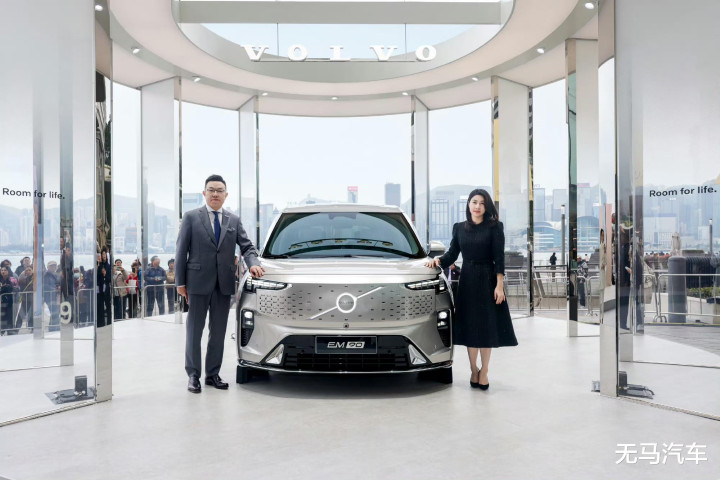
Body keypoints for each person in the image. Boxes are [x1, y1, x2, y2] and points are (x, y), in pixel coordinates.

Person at [176, 174, 264, 394]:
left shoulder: (233, 220)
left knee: (218, 333)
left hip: (223, 284)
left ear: (226, 194)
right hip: (197, 283)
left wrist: (253, 264)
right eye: (211, 190)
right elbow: (181, 251)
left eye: (219, 190)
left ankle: (212, 374)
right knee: (194, 331)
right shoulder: (191, 217)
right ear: (204, 193)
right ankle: (193, 375)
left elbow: (247, 247)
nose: (215, 194)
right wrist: (180, 283)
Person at [426, 188, 518, 390]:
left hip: (488, 281)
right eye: (474, 202)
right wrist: (437, 261)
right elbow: (452, 254)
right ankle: (473, 369)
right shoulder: (459, 228)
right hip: (467, 281)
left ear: (487, 207)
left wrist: (499, 286)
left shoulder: (495, 227)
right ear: (468, 204)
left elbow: (499, 258)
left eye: (482, 203)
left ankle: (484, 371)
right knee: (470, 328)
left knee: (486, 328)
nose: (478, 206)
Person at [44, 261, 61, 331]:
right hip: (49, 297)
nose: (53, 267)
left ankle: (54, 326)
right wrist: (55, 289)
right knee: (54, 311)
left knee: (56, 312)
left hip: (56, 297)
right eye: (51, 266)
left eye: (54, 266)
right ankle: (53, 328)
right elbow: (45, 286)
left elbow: (58, 283)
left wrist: (59, 287)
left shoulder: (56, 275)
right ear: (48, 267)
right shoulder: (46, 275)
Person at [1, 266, 16, 335]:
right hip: (2, 301)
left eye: (5, 270)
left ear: (8, 271)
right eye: (2, 270)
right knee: (2, 317)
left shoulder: (11, 279)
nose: (3, 271)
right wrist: (4, 288)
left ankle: (10, 331)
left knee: (10, 316)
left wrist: (6, 287)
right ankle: (2, 331)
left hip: (10, 301)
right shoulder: (1, 279)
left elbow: (14, 289)